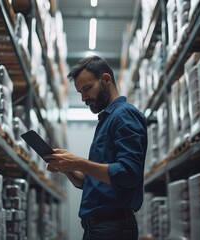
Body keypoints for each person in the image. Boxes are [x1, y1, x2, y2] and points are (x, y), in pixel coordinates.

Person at [45, 55, 148, 240]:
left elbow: (128, 174)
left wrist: (79, 162)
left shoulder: (125, 115)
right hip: (99, 228)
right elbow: (89, 183)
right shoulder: (107, 120)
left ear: (106, 79)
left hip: (112, 228)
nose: (84, 98)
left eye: (87, 89)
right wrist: (68, 168)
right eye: (79, 92)